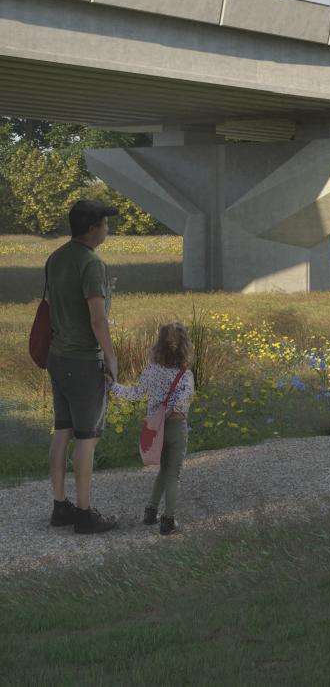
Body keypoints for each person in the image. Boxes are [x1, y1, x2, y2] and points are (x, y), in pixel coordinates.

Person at [46, 198, 120, 534]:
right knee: (87, 438)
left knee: (62, 430)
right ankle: (85, 513)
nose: (108, 228)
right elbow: (97, 319)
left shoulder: (56, 258)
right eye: (105, 223)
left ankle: (61, 506)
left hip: (58, 357)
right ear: (92, 228)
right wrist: (111, 357)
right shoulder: (92, 264)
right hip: (82, 359)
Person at [111, 323, 196, 535]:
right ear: (185, 347)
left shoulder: (151, 370)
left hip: (154, 428)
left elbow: (136, 394)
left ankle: (150, 511)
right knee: (173, 474)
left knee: (163, 470)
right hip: (176, 428)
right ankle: (168, 521)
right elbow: (181, 404)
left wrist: (111, 386)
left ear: (158, 345)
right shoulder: (186, 376)